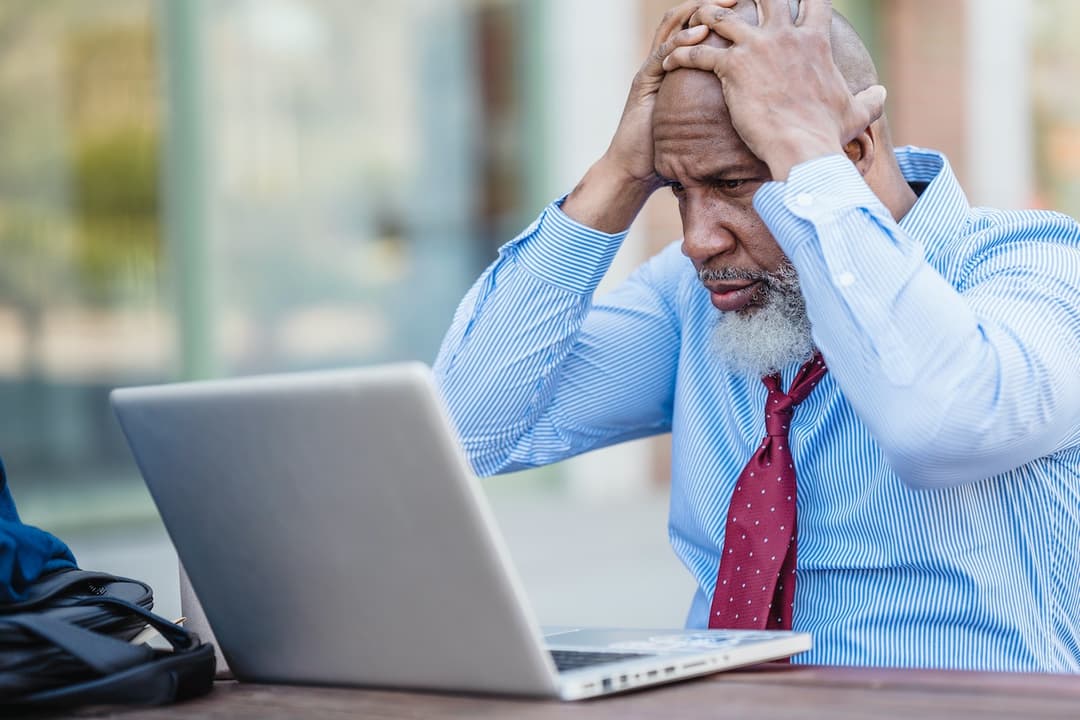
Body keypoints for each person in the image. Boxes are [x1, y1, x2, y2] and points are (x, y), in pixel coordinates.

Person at [433, 0, 1080, 672]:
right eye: (676, 190)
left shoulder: (1037, 268)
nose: (696, 241)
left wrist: (804, 151)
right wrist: (616, 176)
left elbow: (939, 424)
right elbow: (464, 430)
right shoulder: (697, 299)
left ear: (852, 151)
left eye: (734, 184)